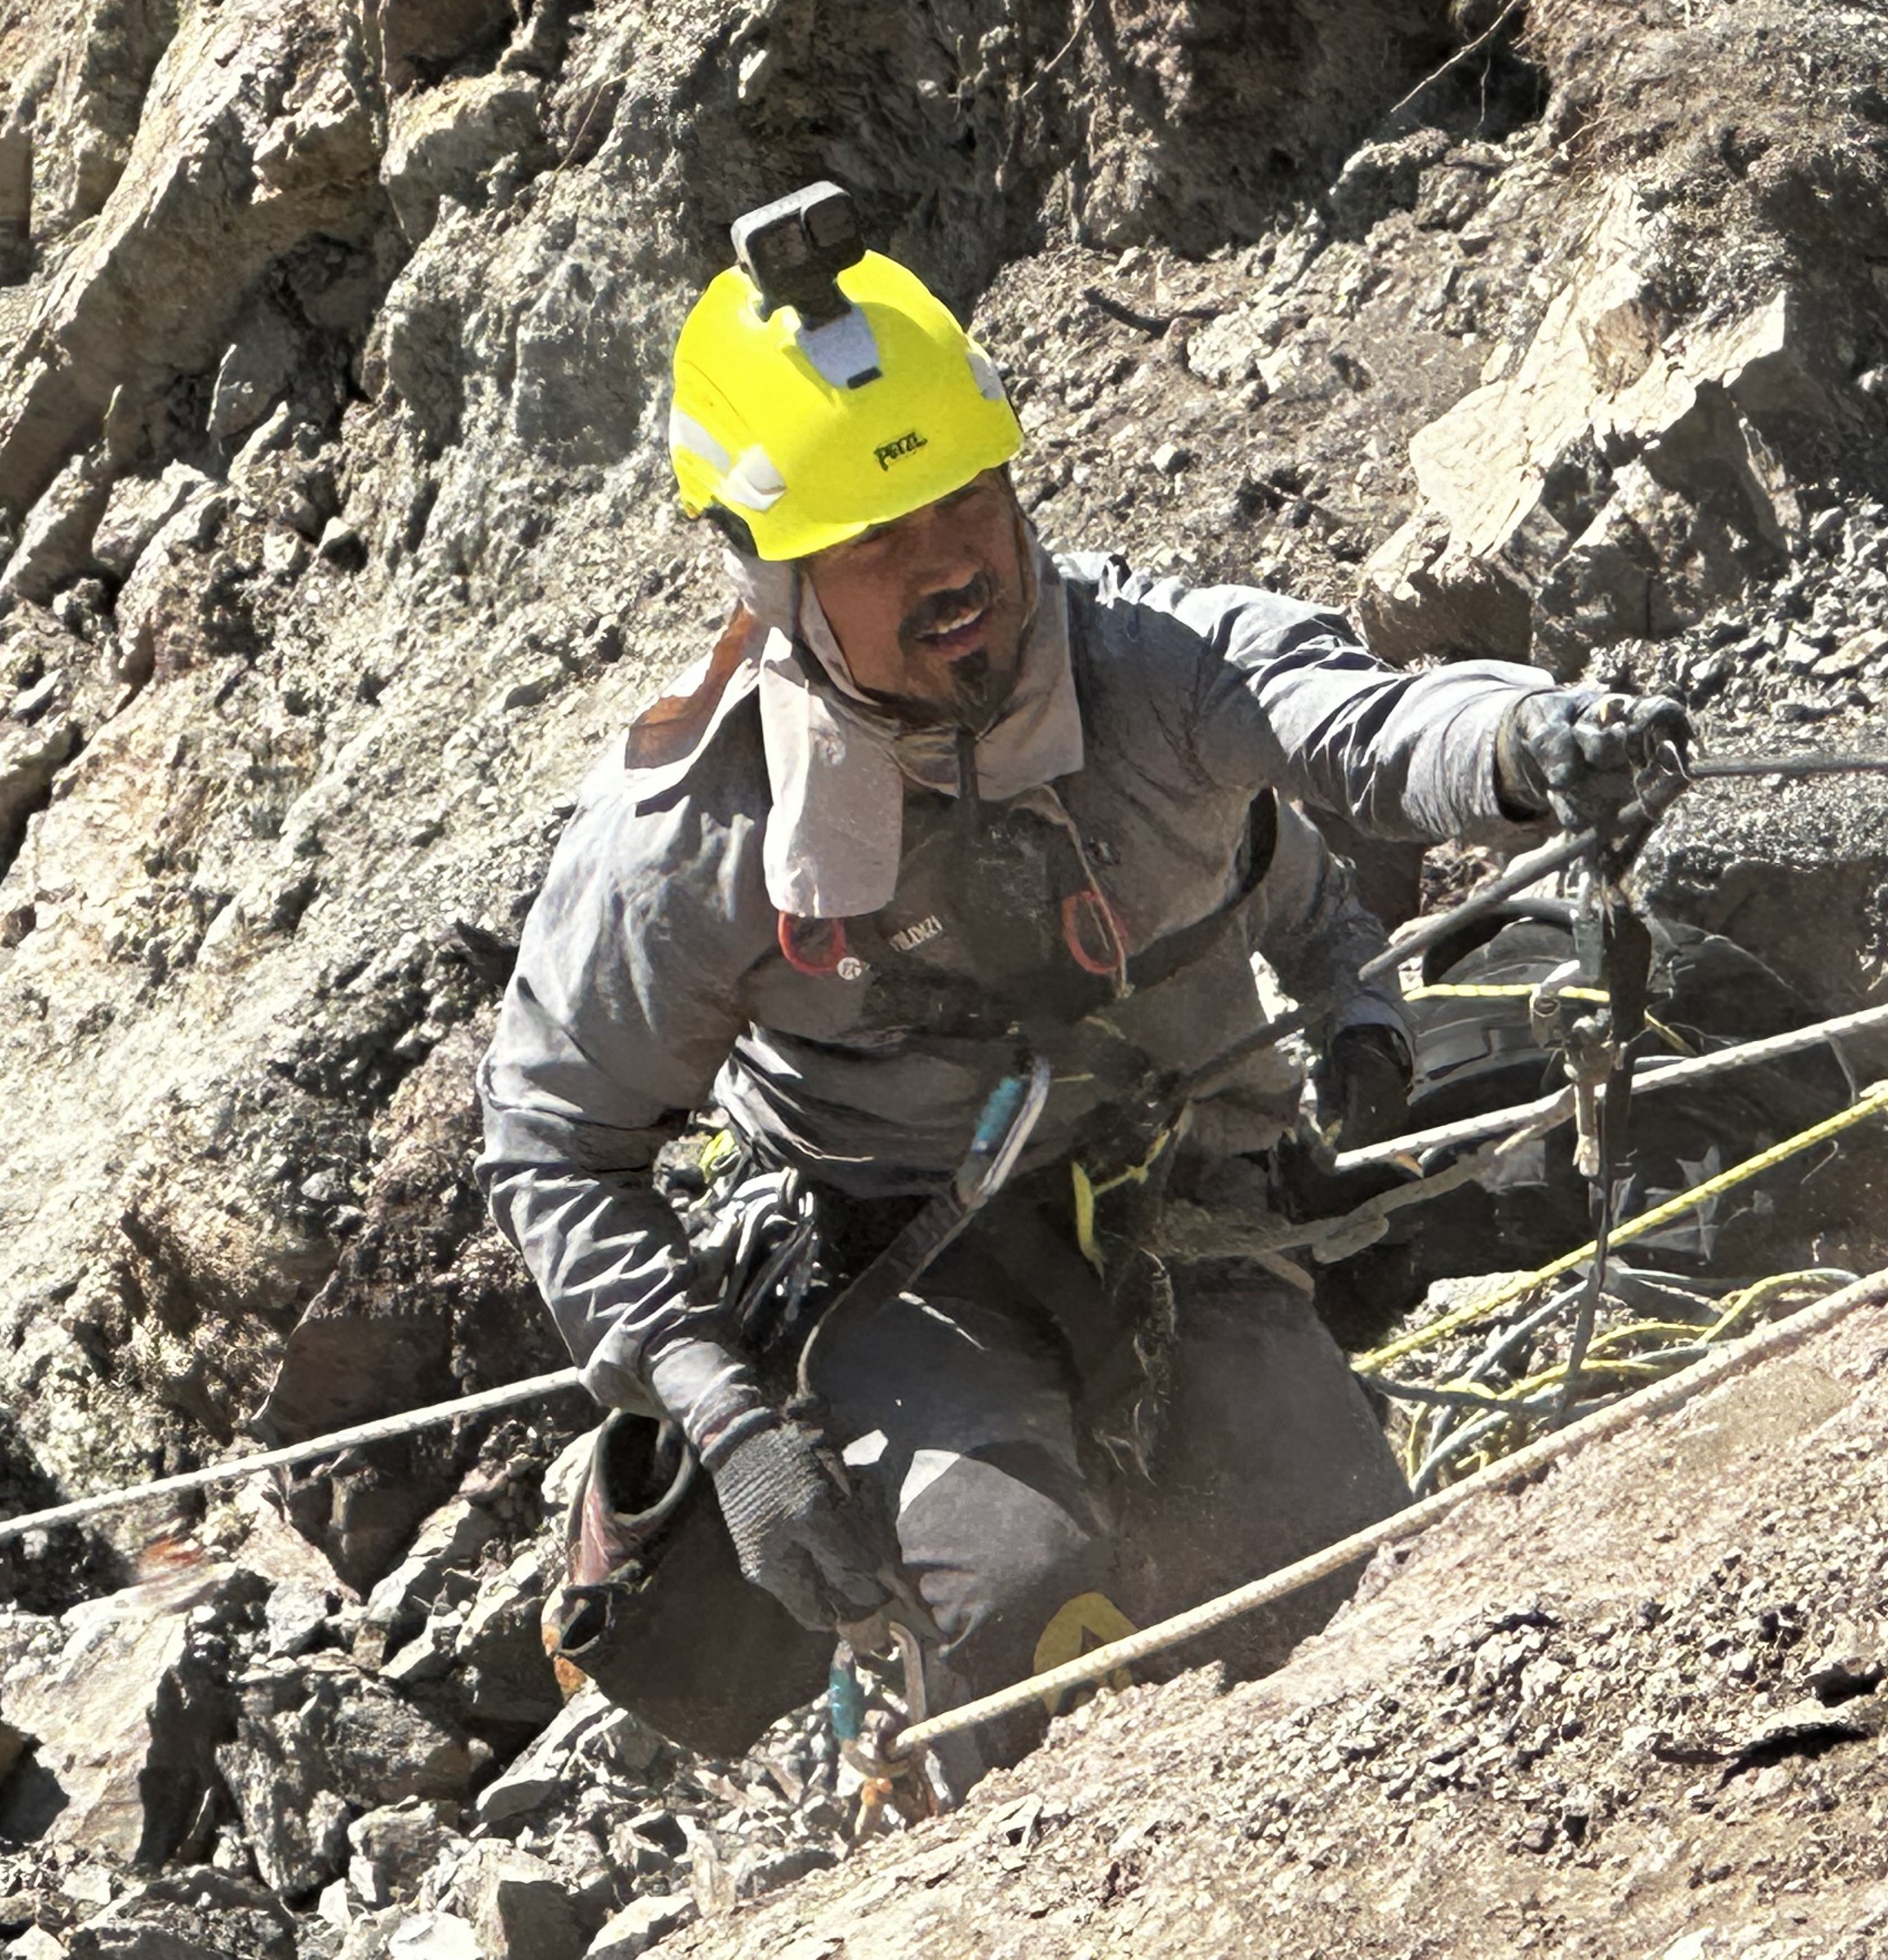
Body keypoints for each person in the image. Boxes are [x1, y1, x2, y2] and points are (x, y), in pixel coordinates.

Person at [476, 182, 1688, 1765]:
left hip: (1197, 1209)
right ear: (771, 576)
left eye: (969, 500)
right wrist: (722, 1411)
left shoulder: (1151, 669)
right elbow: (557, 1142)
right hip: (906, 1273)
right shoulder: (697, 839)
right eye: (876, 538)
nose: (949, 563)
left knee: (1347, 1581)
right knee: (1024, 1616)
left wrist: (1530, 741)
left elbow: (1360, 721)